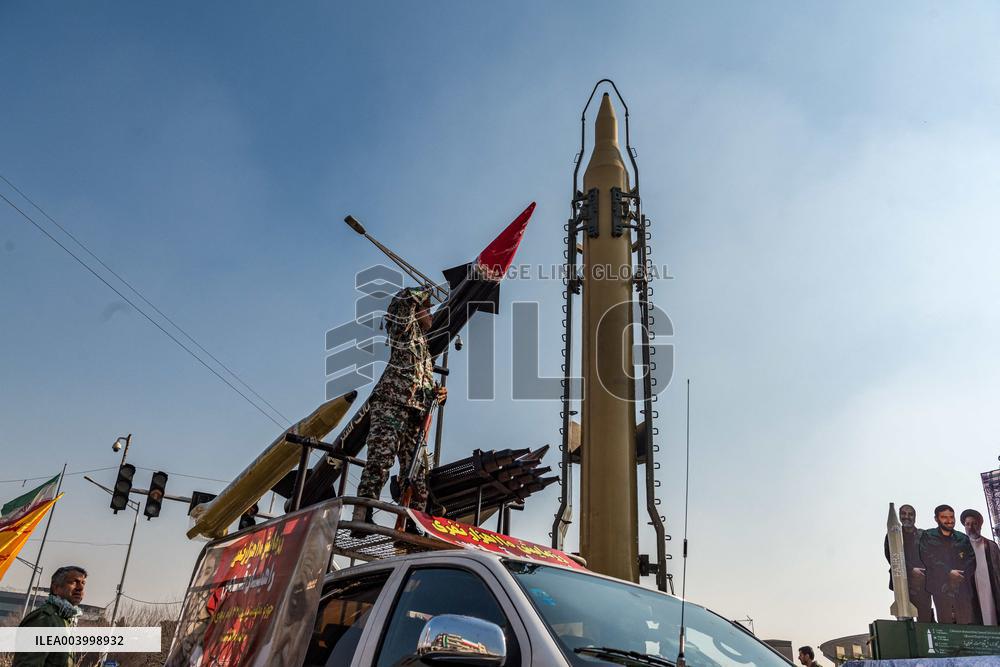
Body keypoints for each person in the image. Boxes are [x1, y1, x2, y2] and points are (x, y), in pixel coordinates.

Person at [353, 288, 446, 523]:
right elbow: (401, 302)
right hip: (391, 406)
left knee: (417, 471)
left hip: (415, 413)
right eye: (428, 310)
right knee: (381, 459)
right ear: (416, 312)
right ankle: (363, 513)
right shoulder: (405, 331)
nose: (432, 315)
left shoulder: (424, 349)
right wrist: (430, 290)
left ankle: (415, 522)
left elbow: (420, 380)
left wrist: (438, 393)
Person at [12, 565, 87, 667]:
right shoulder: (44, 619)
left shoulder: (65, 621)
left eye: (83, 583)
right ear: (56, 588)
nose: (80, 588)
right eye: (74, 582)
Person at [919, 504, 976, 624]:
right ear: (936, 519)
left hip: (962, 591)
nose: (949, 520)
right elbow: (928, 558)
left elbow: (971, 560)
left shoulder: (963, 538)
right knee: (947, 627)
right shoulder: (928, 536)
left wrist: (959, 576)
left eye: (951, 517)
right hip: (940, 590)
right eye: (944, 517)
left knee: (966, 626)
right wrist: (948, 573)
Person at [884, 504, 934, 622]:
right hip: (902, 587)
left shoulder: (924, 535)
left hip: (922, 585)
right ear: (900, 516)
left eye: (910, 514)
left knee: (925, 619)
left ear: (915, 517)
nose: (907, 517)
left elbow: (931, 557)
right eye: (904, 514)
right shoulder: (892, 535)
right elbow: (891, 557)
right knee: (904, 622)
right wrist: (911, 570)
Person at [961, 509, 1000, 625]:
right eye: (967, 524)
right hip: (972, 591)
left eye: (974, 523)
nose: (970, 527)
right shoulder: (960, 547)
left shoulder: (992, 546)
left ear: (980, 525)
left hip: (991, 588)